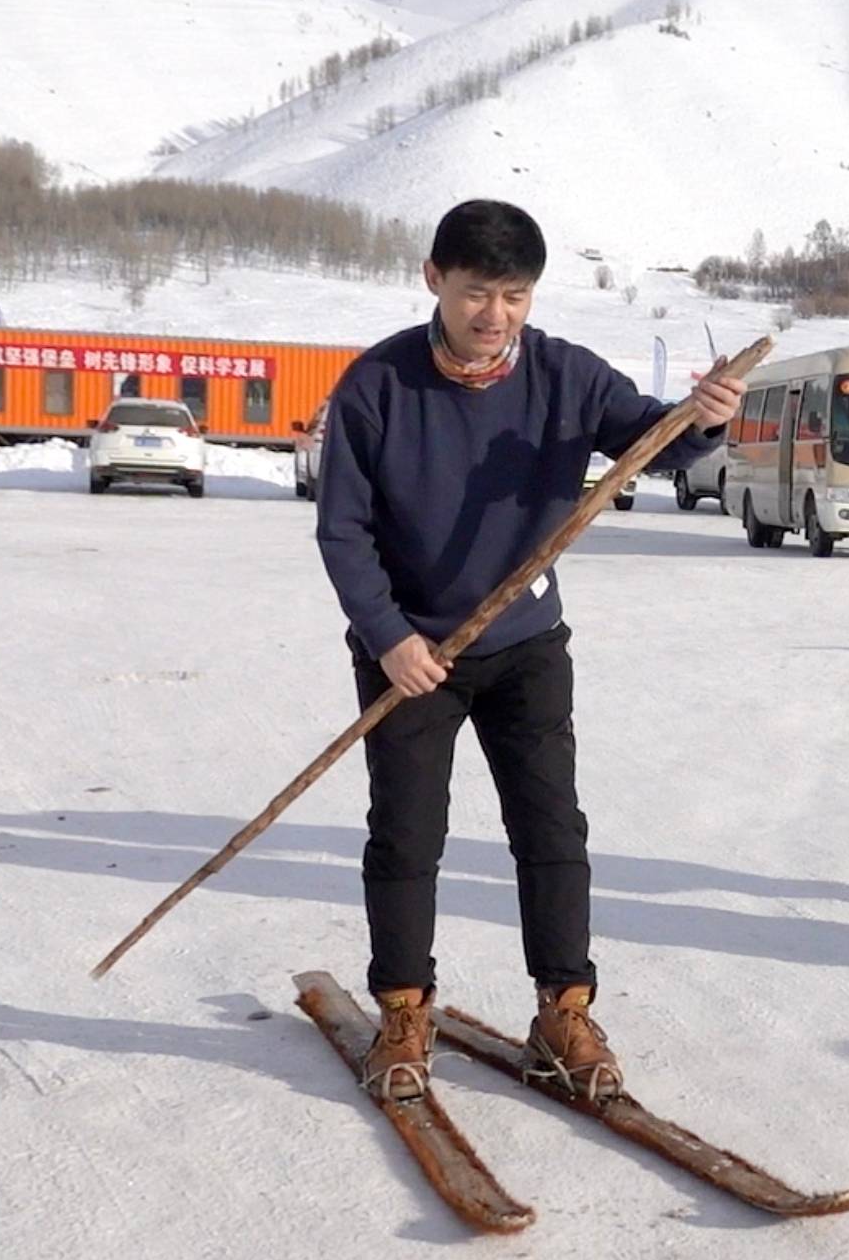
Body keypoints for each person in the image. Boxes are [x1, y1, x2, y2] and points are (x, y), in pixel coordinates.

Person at [314, 200, 743, 1102]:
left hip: (525, 645)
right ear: (435, 280)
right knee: (406, 836)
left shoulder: (565, 377)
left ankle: (564, 1009)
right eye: (477, 293)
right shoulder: (377, 388)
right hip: (414, 655)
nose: (495, 315)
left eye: (514, 296)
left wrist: (701, 420)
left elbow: (648, 438)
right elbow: (343, 531)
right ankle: (402, 1010)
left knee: (551, 830)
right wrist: (390, 637)